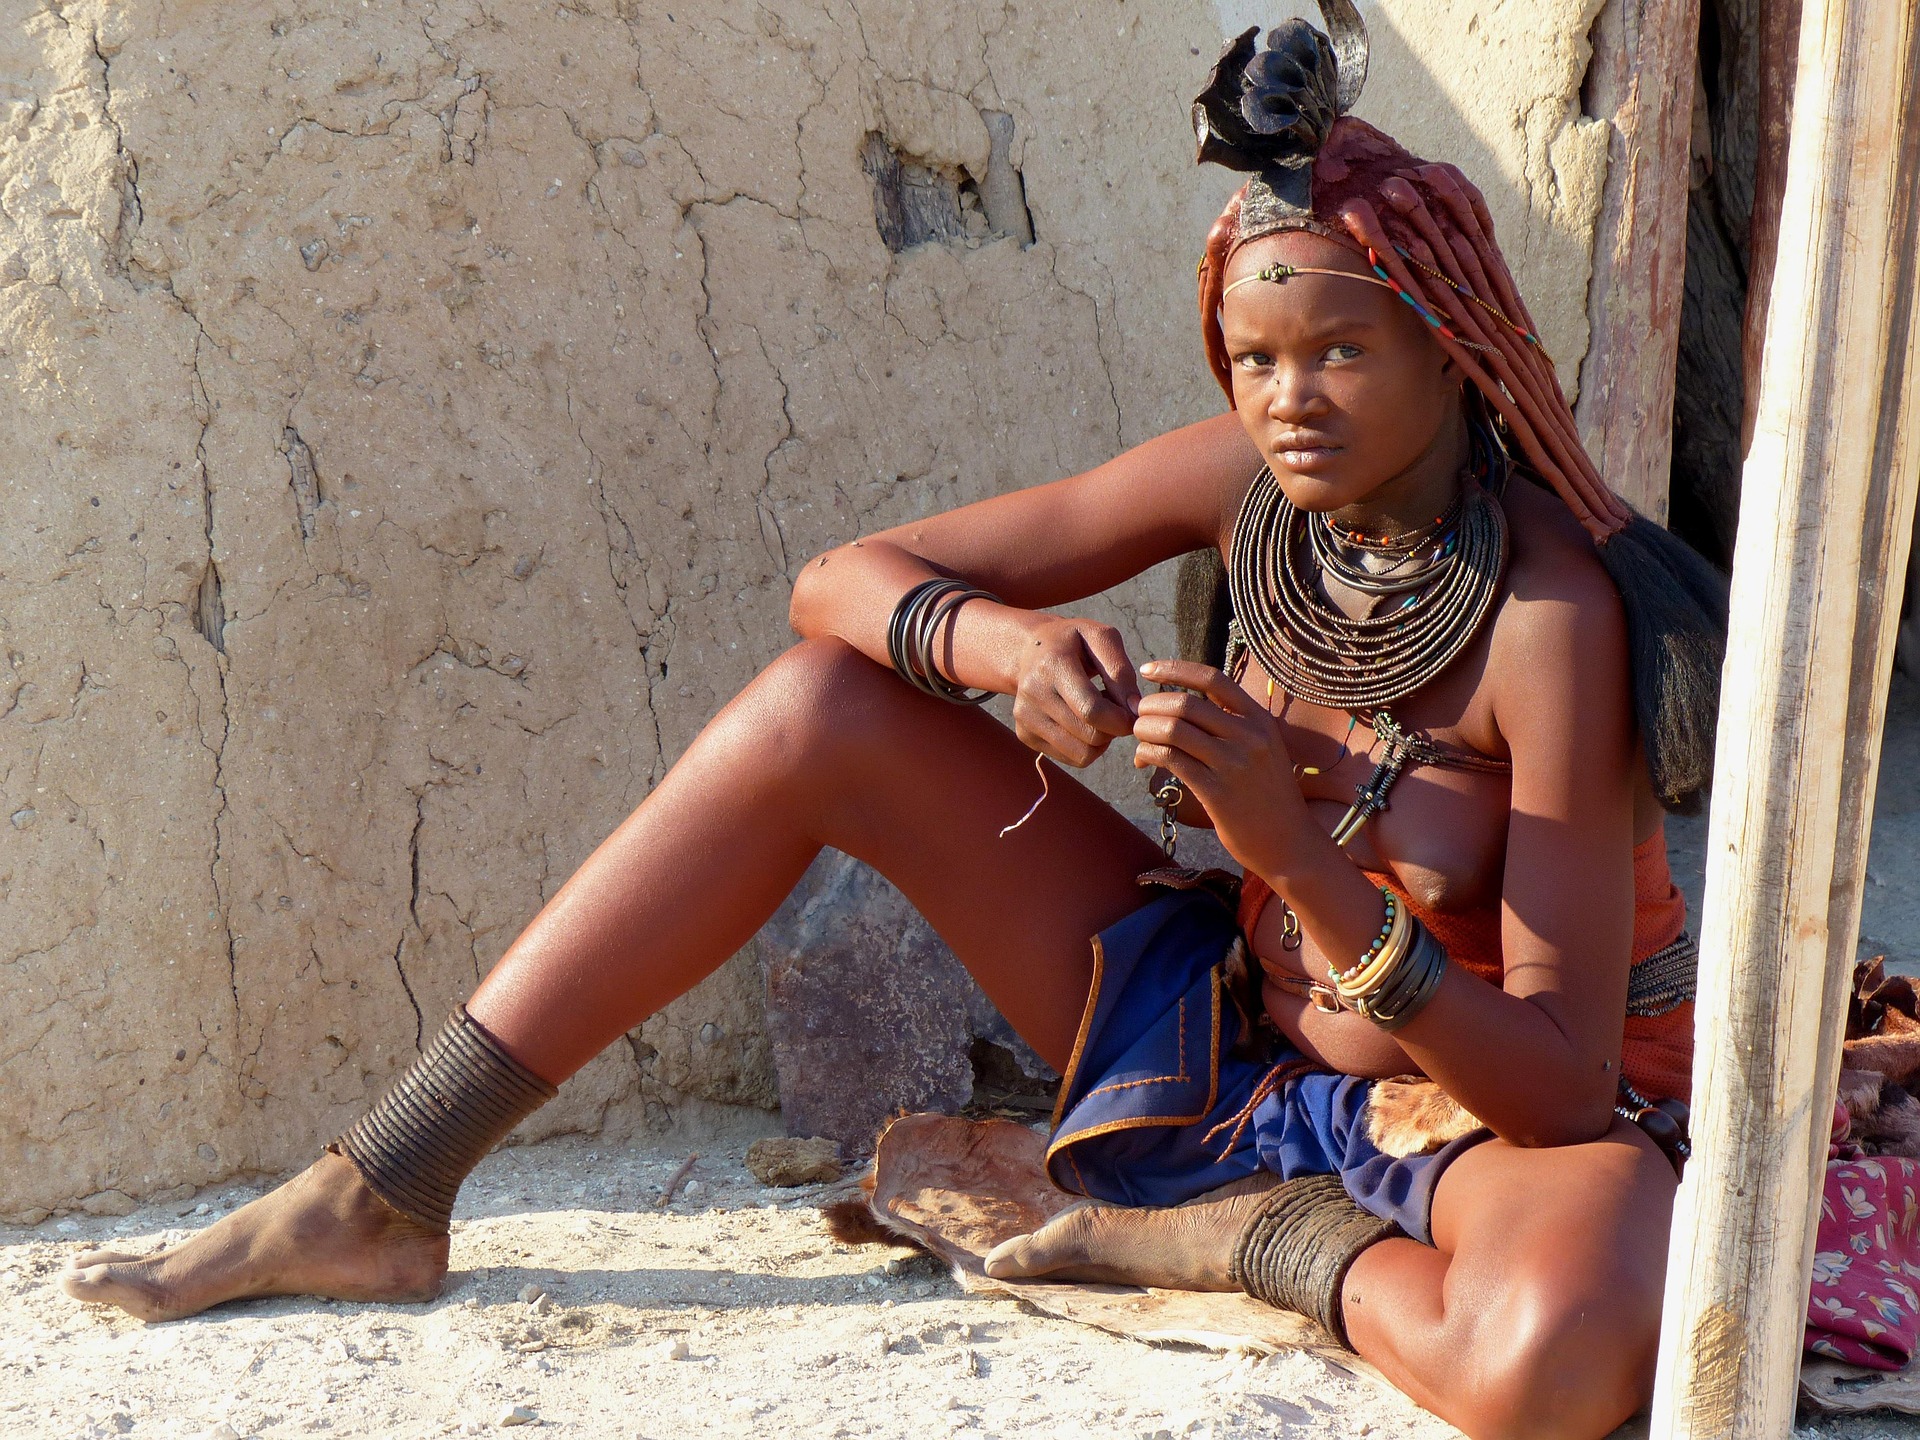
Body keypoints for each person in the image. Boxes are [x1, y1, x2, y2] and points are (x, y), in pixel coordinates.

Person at [62, 12, 1726, 1439]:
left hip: (1472, 1105)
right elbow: (839, 586)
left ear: (1455, 348)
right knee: (824, 710)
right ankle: (386, 1183)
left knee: (1553, 1363)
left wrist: (1297, 857)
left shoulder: (1548, 619)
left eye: (1343, 351)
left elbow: (1563, 1095)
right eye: (1254, 356)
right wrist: (1007, 653)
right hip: (1221, 1037)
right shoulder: (1250, 485)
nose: (1288, 400)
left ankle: (1233, 1241)